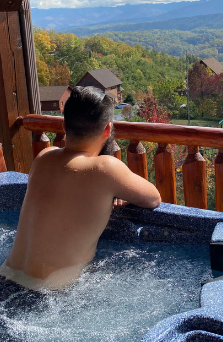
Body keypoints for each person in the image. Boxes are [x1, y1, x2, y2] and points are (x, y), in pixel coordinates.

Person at [0, 86, 161, 291]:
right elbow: (154, 198)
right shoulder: (106, 168)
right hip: (45, 294)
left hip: (5, 278)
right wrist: (121, 193)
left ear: (65, 125)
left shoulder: (44, 157)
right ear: (107, 129)